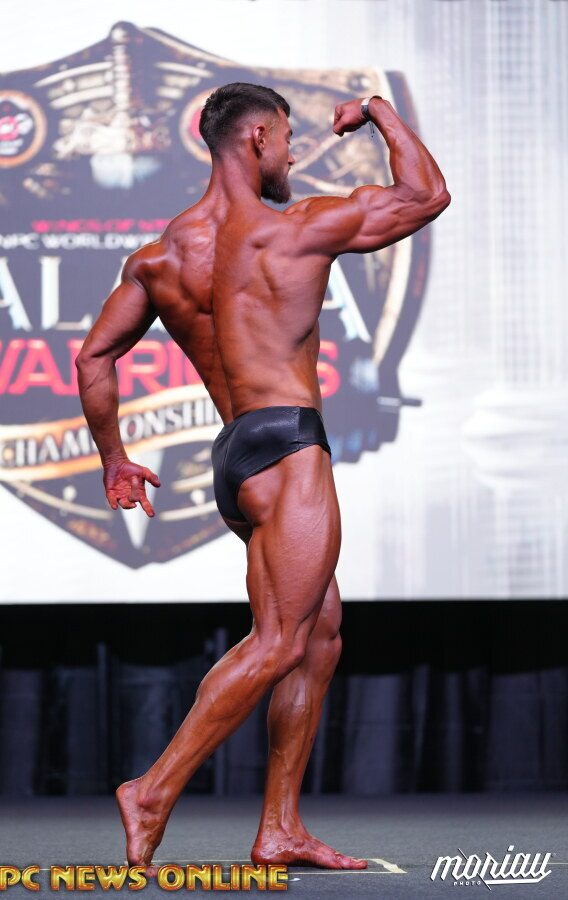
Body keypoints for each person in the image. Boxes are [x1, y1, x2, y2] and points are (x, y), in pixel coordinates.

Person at [76, 82, 450, 872]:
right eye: (285, 138)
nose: (292, 154)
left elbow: (95, 356)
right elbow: (426, 196)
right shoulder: (295, 229)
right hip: (289, 447)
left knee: (318, 634)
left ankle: (279, 827)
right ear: (255, 139)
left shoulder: (159, 257)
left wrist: (114, 457)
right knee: (281, 640)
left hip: (238, 453)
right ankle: (152, 790)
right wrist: (378, 112)